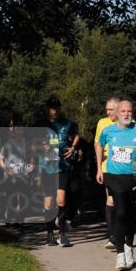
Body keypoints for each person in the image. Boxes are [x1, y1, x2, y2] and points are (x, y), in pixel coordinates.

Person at [96, 100, 136, 271]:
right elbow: (99, 144)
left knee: (130, 213)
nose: (126, 114)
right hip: (113, 175)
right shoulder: (108, 130)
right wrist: (99, 168)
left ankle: (129, 247)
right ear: (117, 113)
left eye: (129, 111)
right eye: (123, 111)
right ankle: (120, 254)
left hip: (133, 177)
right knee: (120, 211)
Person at [39, 96, 79, 247]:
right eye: (51, 108)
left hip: (62, 166)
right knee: (49, 203)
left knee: (61, 200)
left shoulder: (67, 123)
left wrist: (73, 148)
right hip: (46, 167)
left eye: (56, 108)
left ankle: (62, 235)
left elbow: (76, 136)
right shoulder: (40, 125)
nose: (54, 111)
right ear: (47, 109)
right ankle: (50, 234)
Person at [94, 96, 120, 249]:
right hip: (107, 168)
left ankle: (121, 232)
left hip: (126, 170)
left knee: (122, 203)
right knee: (110, 200)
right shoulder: (102, 123)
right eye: (107, 110)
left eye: (111, 110)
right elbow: (98, 144)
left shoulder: (130, 123)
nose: (108, 112)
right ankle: (113, 236)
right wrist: (98, 167)